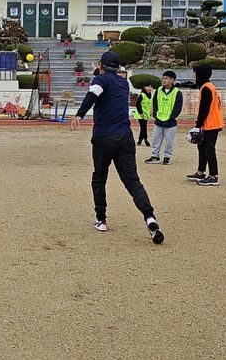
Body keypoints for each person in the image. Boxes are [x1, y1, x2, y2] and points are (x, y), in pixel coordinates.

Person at [69, 51, 164, 243]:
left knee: (99, 178)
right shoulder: (124, 83)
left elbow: (93, 94)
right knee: (132, 181)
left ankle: (101, 219)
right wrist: (99, 71)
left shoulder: (100, 81)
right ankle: (150, 217)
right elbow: (107, 80)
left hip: (104, 137)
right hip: (125, 137)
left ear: (102, 66)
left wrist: (79, 114)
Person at [186, 63, 224, 186]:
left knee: (209, 150)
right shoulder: (207, 86)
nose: (193, 75)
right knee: (202, 148)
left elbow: (204, 109)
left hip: (211, 124)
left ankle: (213, 176)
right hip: (210, 123)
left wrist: (198, 124)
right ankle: (200, 172)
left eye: (195, 72)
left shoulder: (206, 88)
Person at [144, 71, 183, 165]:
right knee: (156, 139)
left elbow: (178, 107)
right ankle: (155, 156)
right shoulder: (159, 90)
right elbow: (155, 102)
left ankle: (167, 157)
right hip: (159, 120)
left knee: (169, 141)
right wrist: (155, 114)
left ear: (172, 79)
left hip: (170, 122)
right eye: (163, 78)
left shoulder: (177, 92)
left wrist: (171, 117)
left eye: (166, 78)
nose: (163, 80)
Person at [133, 80, 154, 147]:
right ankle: (145, 140)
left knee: (143, 127)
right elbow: (137, 104)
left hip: (146, 114)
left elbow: (150, 104)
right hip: (141, 114)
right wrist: (141, 113)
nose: (150, 88)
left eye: (151, 87)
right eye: (149, 87)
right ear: (145, 87)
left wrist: (151, 112)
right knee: (143, 127)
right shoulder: (142, 95)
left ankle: (140, 141)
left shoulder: (150, 94)